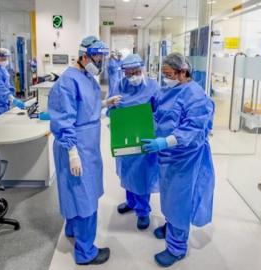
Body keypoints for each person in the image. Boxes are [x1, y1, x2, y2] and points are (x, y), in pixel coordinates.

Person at [48, 36, 121, 265]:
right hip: (76, 146)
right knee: (84, 196)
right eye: (97, 56)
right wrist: (72, 151)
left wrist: (105, 104)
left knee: (76, 191)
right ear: (83, 56)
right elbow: (64, 121)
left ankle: (72, 229)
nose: (100, 61)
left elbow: (85, 109)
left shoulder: (87, 77)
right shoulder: (68, 82)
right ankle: (86, 252)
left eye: (102, 57)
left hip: (88, 145)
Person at [142, 52, 215, 267]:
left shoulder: (196, 95)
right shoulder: (171, 88)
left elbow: (192, 130)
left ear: (183, 72)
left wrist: (164, 142)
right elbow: (156, 105)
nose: (166, 79)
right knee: (169, 195)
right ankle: (170, 225)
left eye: (169, 74)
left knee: (179, 200)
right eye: (164, 74)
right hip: (168, 156)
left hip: (185, 157)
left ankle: (176, 248)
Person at [108, 54, 160, 230]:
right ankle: (131, 202)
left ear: (142, 69)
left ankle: (143, 212)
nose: (133, 76)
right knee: (127, 172)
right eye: (129, 74)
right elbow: (110, 111)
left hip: (144, 137)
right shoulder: (119, 86)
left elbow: (160, 111)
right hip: (124, 137)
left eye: (136, 72)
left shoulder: (153, 86)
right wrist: (112, 109)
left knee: (142, 176)